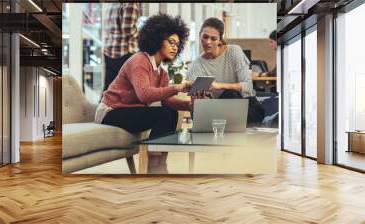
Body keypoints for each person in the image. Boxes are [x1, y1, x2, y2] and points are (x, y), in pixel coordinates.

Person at [95, 14, 191, 173]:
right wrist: (176, 87)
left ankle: (160, 165)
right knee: (164, 115)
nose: (175, 47)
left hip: (127, 111)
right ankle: (154, 168)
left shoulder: (162, 73)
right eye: (170, 42)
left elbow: (167, 101)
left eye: (177, 44)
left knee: (171, 113)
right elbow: (144, 95)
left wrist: (188, 105)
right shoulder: (140, 60)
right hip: (111, 112)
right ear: (157, 39)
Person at [186, 17, 264, 126]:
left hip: (248, 107)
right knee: (197, 112)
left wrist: (219, 86)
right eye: (205, 37)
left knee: (230, 94)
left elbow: (248, 87)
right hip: (219, 110)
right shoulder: (194, 67)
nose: (208, 42)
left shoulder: (233, 51)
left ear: (220, 40)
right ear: (199, 36)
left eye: (213, 39)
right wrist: (199, 103)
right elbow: (196, 107)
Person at [103, 3, 141, 91]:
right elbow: (128, 29)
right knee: (129, 93)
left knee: (109, 89)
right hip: (124, 53)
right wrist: (142, 34)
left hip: (110, 51)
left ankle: (102, 105)